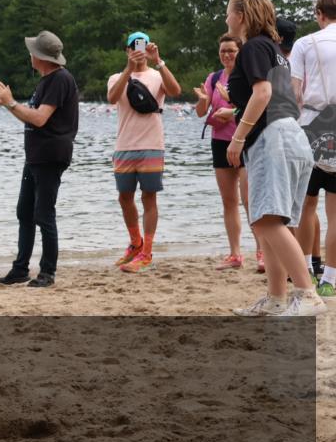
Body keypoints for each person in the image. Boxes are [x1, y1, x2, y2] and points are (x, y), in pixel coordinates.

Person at [225, 0, 325, 316]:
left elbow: (263, 92)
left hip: (273, 137)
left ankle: (307, 294)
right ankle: (276, 297)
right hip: (291, 135)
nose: (226, 18)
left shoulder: (254, 46)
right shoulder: (277, 50)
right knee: (267, 220)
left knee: (268, 221)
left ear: (241, 15)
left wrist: (238, 137)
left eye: (229, 12)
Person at [0, 31, 79, 287]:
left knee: (43, 213)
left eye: (32, 51)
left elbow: (39, 119)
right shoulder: (46, 80)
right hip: (37, 156)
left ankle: (47, 272)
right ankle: (20, 269)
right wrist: (6, 104)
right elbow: (32, 116)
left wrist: (11, 101)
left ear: (40, 57)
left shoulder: (60, 79)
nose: (30, 54)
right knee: (25, 212)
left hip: (51, 156)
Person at [107, 32, 182, 273]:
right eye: (132, 46)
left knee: (149, 198)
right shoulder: (117, 77)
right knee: (124, 197)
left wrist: (158, 60)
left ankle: (147, 252)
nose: (136, 50)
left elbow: (175, 91)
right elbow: (111, 98)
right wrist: (129, 70)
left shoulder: (157, 75)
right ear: (127, 50)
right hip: (124, 146)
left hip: (152, 144)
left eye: (140, 46)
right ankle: (135, 243)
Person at [193, 35, 263, 271]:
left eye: (231, 51)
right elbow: (202, 113)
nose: (227, 55)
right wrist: (203, 100)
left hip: (244, 140)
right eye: (223, 51)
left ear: (240, 51)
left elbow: (257, 104)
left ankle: (261, 250)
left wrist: (231, 110)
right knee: (229, 201)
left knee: (249, 199)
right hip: (220, 141)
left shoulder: (246, 76)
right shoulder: (214, 78)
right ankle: (235, 254)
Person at [290, 0, 336, 298]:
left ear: (319, 13)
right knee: (335, 210)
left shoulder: (305, 43)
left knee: (306, 204)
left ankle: (305, 268)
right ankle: (331, 278)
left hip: (311, 126)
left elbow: (294, 93)